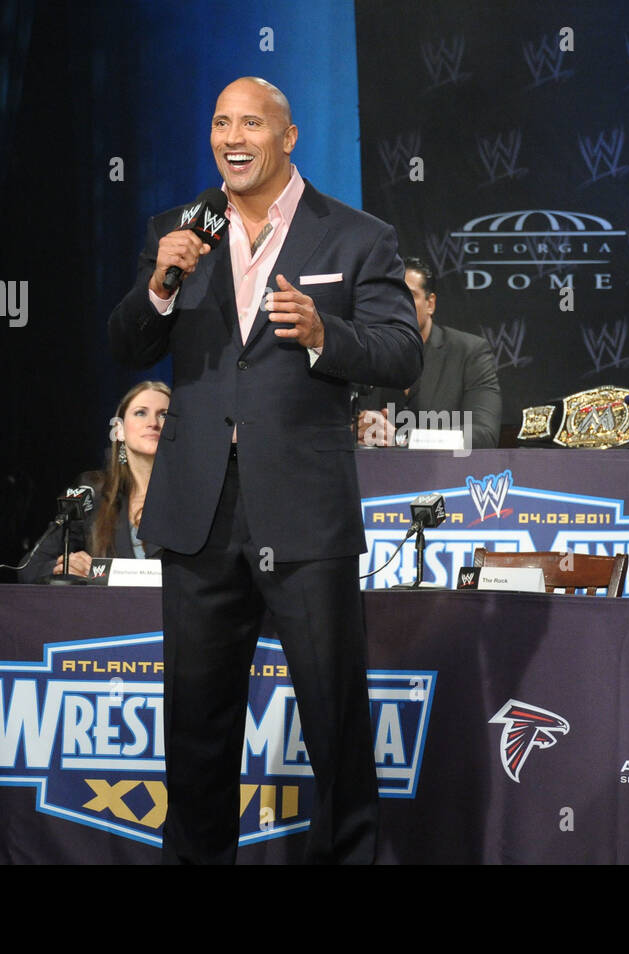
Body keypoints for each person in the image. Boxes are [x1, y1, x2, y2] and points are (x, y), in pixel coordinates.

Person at [107, 77, 422, 864]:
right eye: (219, 122)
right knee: (197, 727)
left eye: (250, 122)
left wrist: (325, 333)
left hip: (303, 512)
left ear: (287, 137)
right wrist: (158, 284)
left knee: (336, 722)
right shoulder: (180, 230)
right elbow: (125, 346)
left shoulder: (356, 236)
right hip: (199, 510)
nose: (231, 136)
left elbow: (400, 351)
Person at [18, 381, 169, 583]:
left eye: (164, 414)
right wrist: (65, 567)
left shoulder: (198, 496)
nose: (153, 422)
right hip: (108, 612)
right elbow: (29, 568)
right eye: (140, 412)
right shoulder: (91, 490)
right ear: (119, 429)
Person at [355, 257, 501, 448]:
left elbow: (484, 435)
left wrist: (401, 438)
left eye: (409, 295)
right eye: (389, 297)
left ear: (430, 303)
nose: (397, 305)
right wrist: (355, 428)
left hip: (445, 475)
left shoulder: (469, 353)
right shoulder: (364, 351)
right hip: (371, 474)